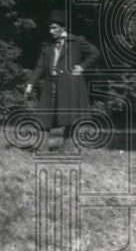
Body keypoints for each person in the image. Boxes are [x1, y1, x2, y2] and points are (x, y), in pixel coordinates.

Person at [25, 10, 101, 151]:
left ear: (63, 27)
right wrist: (30, 83)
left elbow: (95, 52)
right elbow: (40, 66)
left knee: (70, 117)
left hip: (70, 85)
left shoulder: (76, 41)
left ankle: (67, 148)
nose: (51, 31)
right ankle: (41, 149)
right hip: (50, 84)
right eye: (49, 28)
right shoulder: (47, 45)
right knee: (44, 115)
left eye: (54, 28)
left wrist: (82, 66)